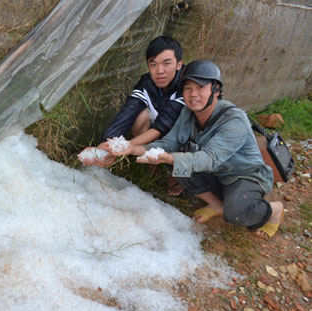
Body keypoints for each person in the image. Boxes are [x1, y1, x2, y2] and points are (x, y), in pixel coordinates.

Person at [111, 60, 284, 238]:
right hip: (217, 173)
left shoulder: (234, 119)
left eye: (200, 87)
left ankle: (275, 210)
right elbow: (168, 144)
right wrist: (132, 148)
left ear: (216, 89)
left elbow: (209, 158)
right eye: (187, 88)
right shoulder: (187, 113)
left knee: (235, 214)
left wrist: (170, 158)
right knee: (178, 164)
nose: (193, 94)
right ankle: (216, 205)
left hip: (244, 175)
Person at [80, 36, 185, 195]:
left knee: (183, 137)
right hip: (158, 130)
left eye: (167, 63)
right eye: (153, 64)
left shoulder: (187, 86)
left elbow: (162, 127)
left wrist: (123, 148)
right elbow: (127, 113)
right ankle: (152, 167)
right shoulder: (147, 83)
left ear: (179, 64)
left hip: (183, 134)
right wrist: (105, 144)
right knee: (140, 116)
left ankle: (176, 177)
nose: (160, 71)